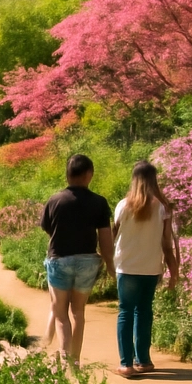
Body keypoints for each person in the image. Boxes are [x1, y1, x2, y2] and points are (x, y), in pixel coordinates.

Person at [41, 155, 115, 365]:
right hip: (88, 263)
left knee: (61, 314)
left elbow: (48, 229)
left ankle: (65, 362)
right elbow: (105, 239)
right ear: (88, 175)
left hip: (59, 260)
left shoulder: (55, 200)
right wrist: (110, 265)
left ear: (68, 174)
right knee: (78, 313)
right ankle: (75, 361)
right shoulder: (99, 202)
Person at [113, 161, 180, 377]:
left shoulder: (123, 205)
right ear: (153, 180)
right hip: (151, 268)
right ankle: (143, 361)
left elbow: (113, 235)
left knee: (126, 312)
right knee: (144, 311)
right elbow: (166, 243)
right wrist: (173, 271)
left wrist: (105, 261)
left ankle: (126, 364)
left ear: (134, 179)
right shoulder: (162, 208)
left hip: (126, 267)